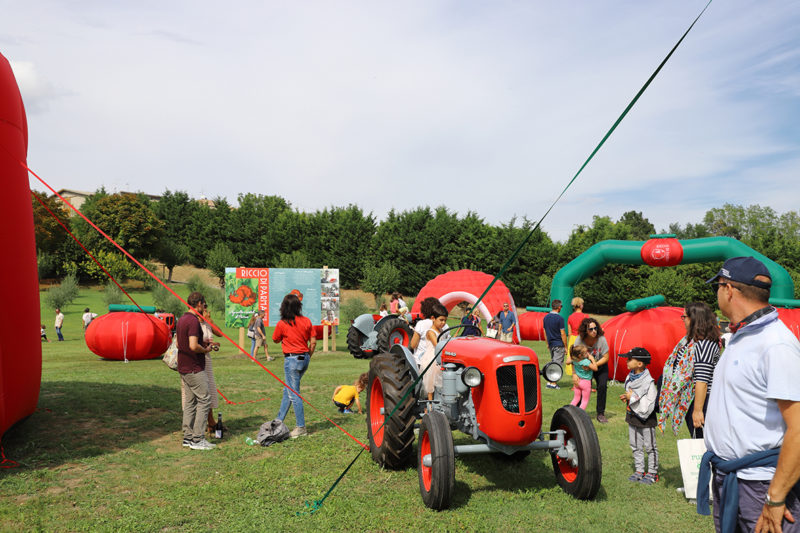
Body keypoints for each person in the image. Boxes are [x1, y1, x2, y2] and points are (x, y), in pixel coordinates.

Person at [696, 257, 800, 533]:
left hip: (761, 485)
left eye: (717, 287)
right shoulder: (740, 337)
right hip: (731, 479)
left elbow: (799, 429)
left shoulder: (775, 344)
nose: (717, 293)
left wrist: (775, 498)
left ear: (728, 289)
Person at [658, 301, 721, 438]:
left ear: (694, 319)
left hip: (703, 402)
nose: (683, 320)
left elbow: (702, 381)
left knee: (701, 442)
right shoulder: (691, 341)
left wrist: (698, 411)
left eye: (684, 317)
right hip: (691, 399)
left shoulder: (705, 344)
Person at [272, 292, 316, 439]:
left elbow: (275, 339)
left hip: (292, 360)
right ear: (299, 306)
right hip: (305, 359)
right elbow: (314, 342)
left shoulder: (282, 323)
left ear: (284, 308)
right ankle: (279, 421)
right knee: (288, 390)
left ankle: (301, 427)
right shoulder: (307, 321)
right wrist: (308, 355)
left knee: (294, 393)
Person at [177, 291, 216, 450]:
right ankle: (198, 439)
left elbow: (181, 345)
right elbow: (193, 345)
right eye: (203, 304)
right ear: (199, 304)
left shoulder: (181, 319)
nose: (204, 307)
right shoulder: (193, 321)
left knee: (190, 402)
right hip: (194, 368)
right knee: (205, 399)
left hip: (184, 367)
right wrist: (205, 350)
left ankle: (188, 437)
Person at [619, 347, 659, 485]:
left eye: (630, 359)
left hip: (646, 419)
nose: (627, 361)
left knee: (650, 446)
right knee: (635, 444)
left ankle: (653, 473)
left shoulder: (649, 382)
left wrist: (632, 397)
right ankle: (639, 470)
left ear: (640, 364)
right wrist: (627, 397)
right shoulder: (630, 377)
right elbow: (632, 394)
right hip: (632, 416)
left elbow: (649, 402)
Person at [574, 317, 611, 423]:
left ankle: (600, 414)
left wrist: (593, 365)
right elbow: (574, 358)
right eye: (590, 329)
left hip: (600, 366)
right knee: (582, 388)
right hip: (584, 368)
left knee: (602, 386)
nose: (594, 331)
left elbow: (606, 357)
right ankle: (577, 412)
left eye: (595, 328)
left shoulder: (601, 339)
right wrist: (574, 374)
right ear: (585, 330)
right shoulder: (579, 340)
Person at [420, 303, 449, 403]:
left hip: (441, 357)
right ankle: (430, 404)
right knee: (430, 383)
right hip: (432, 358)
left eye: (445, 320)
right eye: (441, 320)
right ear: (433, 318)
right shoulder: (431, 332)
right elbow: (438, 346)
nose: (443, 323)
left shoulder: (441, 331)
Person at [410, 297, 442, 367]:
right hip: (438, 362)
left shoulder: (421, 324)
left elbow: (413, 345)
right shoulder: (444, 325)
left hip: (421, 361)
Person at [543, 300, 568, 389]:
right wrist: (566, 346)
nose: (561, 308)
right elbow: (562, 333)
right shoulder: (560, 319)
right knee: (557, 364)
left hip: (551, 344)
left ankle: (549, 382)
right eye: (561, 306)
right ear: (559, 307)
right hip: (559, 344)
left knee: (553, 363)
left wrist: (547, 343)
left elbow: (545, 332)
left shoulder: (546, 317)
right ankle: (553, 384)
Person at [569, 344, 597, 410]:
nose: (587, 353)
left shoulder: (574, 361)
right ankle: (580, 414)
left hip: (577, 381)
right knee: (585, 401)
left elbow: (568, 362)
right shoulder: (585, 361)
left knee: (576, 398)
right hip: (586, 382)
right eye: (585, 353)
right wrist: (592, 359)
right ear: (580, 355)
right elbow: (595, 368)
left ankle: (569, 410)